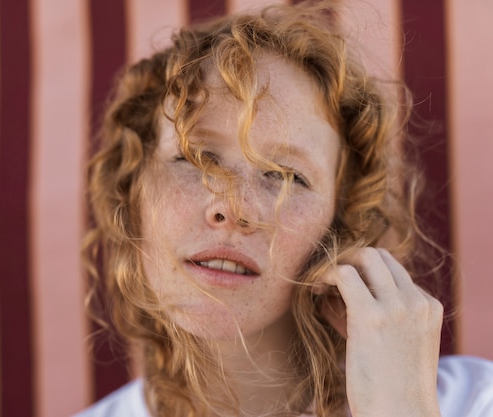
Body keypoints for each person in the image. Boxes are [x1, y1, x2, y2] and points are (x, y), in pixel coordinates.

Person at [77, 2, 493, 416]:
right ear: (132, 195)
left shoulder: (476, 401)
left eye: (286, 175)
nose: (233, 208)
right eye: (195, 157)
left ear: (340, 222)